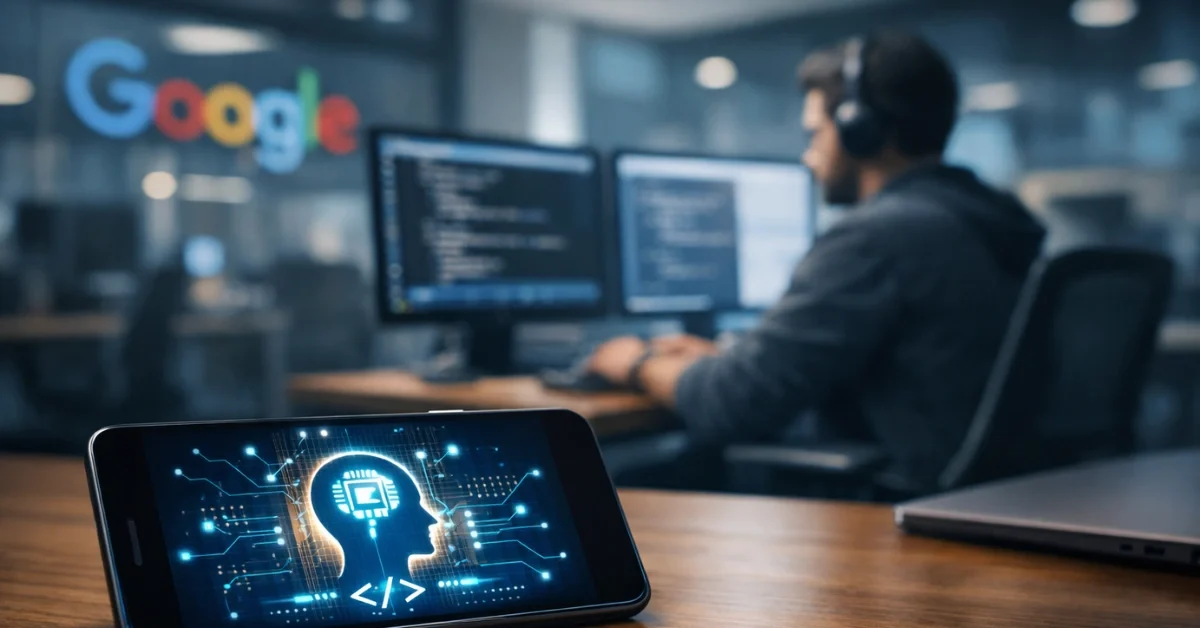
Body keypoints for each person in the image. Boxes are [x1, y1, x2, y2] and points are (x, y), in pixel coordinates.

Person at [587, 32, 1046, 493]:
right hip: (997, 493)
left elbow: (731, 404)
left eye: (815, 133)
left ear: (861, 131)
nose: (809, 157)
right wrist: (731, 358)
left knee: (641, 478)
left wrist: (634, 360)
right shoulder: (986, 220)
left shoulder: (880, 235)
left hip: (904, 506)